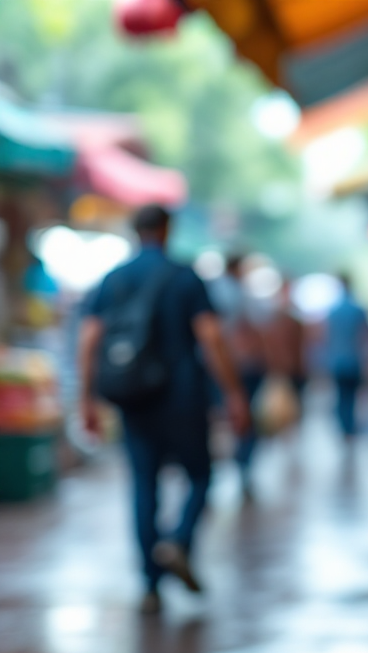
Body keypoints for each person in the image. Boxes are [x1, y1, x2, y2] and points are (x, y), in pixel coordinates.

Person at [78, 205, 250, 614]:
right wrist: (234, 392)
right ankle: (179, 540)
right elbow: (210, 337)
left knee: (143, 483)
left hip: (132, 397)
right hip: (182, 397)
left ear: (135, 231)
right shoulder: (185, 276)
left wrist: (84, 399)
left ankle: (150, 583)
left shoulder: (113, 279)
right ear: (167, 230)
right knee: (200, 474)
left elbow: (89, 341)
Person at [208, 253, 266, 498]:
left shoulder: (212, 290)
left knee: (215, 420)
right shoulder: (240, 294)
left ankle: (216, 470)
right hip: (239, 366)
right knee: (243, 419)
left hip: (213, 366)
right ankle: (242, 466)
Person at [324, 275, 368, 438]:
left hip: (337, 362)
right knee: (353, 397)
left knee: (342, 397)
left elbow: (326, 338)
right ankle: (349, 427)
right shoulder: (357, 309)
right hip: (354, 361)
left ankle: (345, 428)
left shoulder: (332, 311)